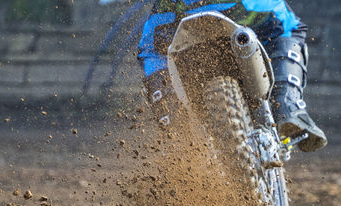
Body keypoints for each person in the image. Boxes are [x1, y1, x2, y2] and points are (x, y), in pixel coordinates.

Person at [137, 0, 327, 152]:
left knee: (152, 52)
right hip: (241, 7)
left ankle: (176, 131)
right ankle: (288, 105)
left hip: (173, 16)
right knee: (288, 27)